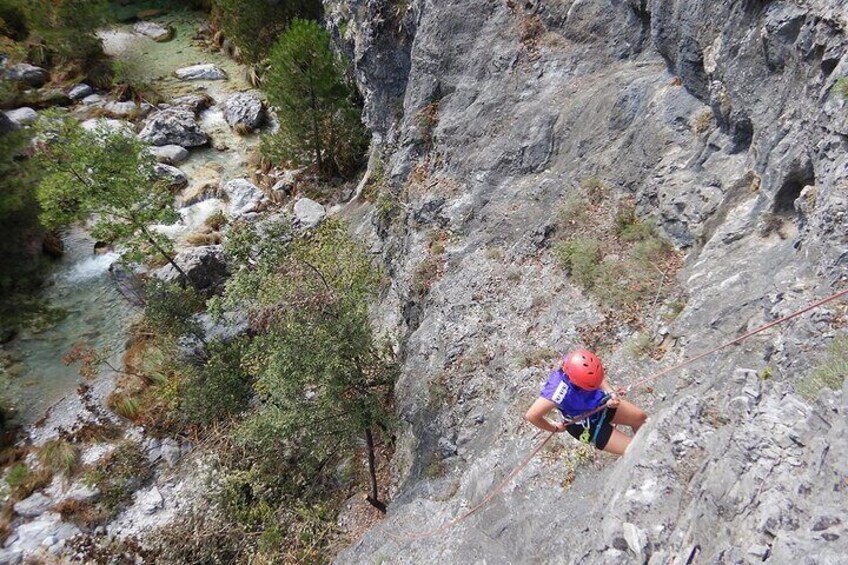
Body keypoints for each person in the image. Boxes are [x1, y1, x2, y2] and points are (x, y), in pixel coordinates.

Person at [525, 349, 647, 455]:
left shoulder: (578, 361)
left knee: (640, 418)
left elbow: (596, 377)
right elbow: (532, 415)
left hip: (601, 402)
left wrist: (611, 393)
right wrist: (555, 428)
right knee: (634, 450)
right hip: (585, 425)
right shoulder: (557, 391)